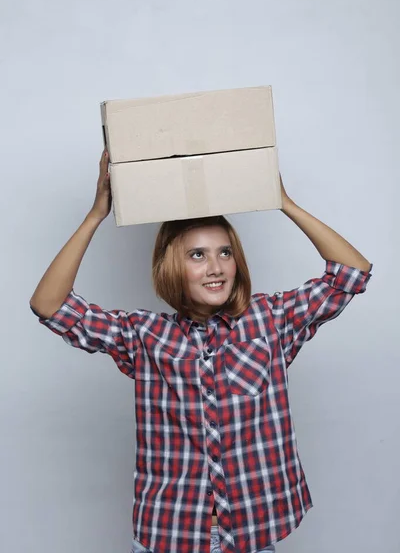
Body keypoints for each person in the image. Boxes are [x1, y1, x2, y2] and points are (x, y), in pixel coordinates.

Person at [30, 149, 372, 553]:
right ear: (172, 265)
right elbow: (49, 305)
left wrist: (284, 203)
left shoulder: (270, 319)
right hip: (170, 536)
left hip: (250, 538)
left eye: (224, 252)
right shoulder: (144, 335)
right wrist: (95, 216)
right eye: (198, 255)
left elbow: (352, 273)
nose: (216, 267)